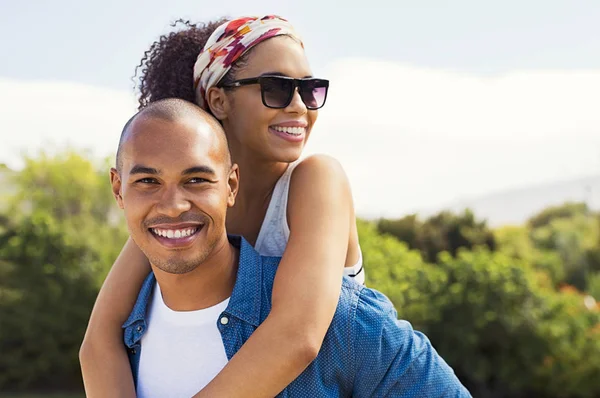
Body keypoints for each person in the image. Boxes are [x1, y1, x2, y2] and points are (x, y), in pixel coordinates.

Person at [81, 15, 374, 397]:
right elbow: (99, 341)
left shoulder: (317, 180)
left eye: (310, 89)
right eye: (277, 88)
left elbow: (297, 337)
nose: (300, 106)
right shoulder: (182, 211)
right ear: (218, 99)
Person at [112, 97, 471, 397]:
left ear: (231, 186)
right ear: (118, 190)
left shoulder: (345, 322)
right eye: (147, 181)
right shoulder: (120, 340)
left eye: (196, 179)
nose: (173, 205)